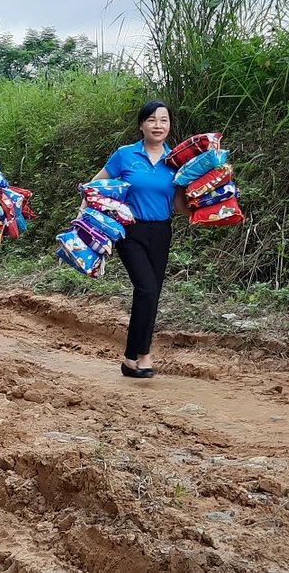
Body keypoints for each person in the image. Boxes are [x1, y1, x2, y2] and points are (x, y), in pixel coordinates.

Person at [80, 100, 191, 378]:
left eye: (164, 120)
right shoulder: (125, 155)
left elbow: (179, 203)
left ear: (170, 126)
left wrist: (210, 207)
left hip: (162, 231)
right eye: (151, 120)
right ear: (142, 124)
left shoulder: (175, 161)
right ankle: (143, 355)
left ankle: (131, 358)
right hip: (129, 231)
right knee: (147, 290)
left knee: (151, 294)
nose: (158, 125)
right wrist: (85, 216)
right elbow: (95, 186)